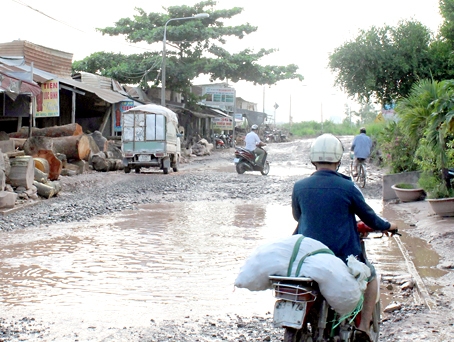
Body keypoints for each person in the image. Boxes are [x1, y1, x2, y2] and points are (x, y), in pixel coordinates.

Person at [291, 133, 397, 342]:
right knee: (372, 276)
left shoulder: (300, 187)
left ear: (313, 160)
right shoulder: (348, 187)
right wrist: (389, 225)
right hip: (342, 255)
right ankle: (364, 329)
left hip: (308, 256)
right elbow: (370, 218)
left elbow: (297, 216)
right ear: (338, 160)